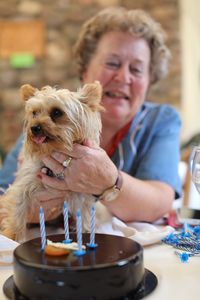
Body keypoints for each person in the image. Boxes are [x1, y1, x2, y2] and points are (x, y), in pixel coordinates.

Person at [0, 7, 181, 225]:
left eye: (137, 69)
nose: (123, 77)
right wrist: (31, 209)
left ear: (149, 81)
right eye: (112, 63)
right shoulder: (48, 121)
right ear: (85, 71)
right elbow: (4, 198)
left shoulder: (160, 121)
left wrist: (107, 181)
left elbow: (160, 203)